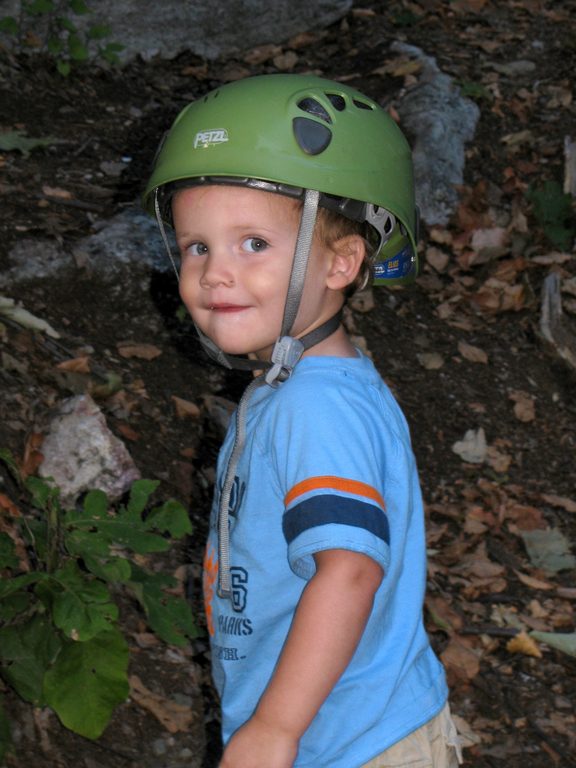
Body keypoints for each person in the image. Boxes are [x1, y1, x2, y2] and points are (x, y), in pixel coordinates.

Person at [144, 74, 462, 768]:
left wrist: (275, 729)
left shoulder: (314, 407)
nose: (214, 274)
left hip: (352, 743)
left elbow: (347, 572)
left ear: (342, 262)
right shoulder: (298, 385)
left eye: (252, 243)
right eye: (197, 246)